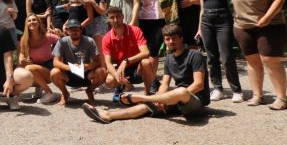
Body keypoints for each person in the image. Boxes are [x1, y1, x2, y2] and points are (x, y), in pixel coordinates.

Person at [81, 24, 210, 123]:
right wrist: (160, 100)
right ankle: (108, 115)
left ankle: (141, 97)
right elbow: (164, 84)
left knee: (181, 91)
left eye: (174, 38)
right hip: (177, 100)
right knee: (147, 105)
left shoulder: (194, 55)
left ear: (181, 38)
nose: (171, 41)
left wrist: (168, 97)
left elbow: (198, 85)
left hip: (195, 101)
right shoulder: (169, 59)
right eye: (167, 39)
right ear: (164, 41)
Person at [231, 0, 287, 110]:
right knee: (252, 61)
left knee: (270, 60)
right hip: (243, 27)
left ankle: (281, 98)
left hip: (270, 25)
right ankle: (257, 95)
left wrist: (267, 17)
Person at [197, 0, 242, 103]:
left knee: (226, 57)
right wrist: (199, 28)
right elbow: (202, 9)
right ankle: (217, 88)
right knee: (211, 57)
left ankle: (236, 90)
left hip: (223, 21)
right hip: (206, 22)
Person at [50, 19, 107, 106]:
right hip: (68, 75)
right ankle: (65, 93)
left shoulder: (90, 41)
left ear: (81, 30)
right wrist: (71, 67)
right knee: (54, 72)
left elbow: (97, 62)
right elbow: (55, 62)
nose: (74, 31)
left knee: (102, 71)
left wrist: (86, 66)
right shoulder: (62, 42)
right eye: (71, 29)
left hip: (86, 75)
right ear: (67, 31)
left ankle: (90, 90)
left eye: (77, 29)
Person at [101, 6, 155, 95]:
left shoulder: (135, 30)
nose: (115, 20)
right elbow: (108, 63)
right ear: (108, 20)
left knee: (146, 62)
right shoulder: (106, 38)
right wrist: (117, 76)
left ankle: (147, 93)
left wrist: (126, 61)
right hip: (121, 70)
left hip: (137, 68)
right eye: (112, 17)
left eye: (118, 16)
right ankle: (122, 86)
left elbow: (146, 52)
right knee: (109, 81)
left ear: (123, 16)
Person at [19, 14, 59, 104]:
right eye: (29, 21)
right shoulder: (24, 39)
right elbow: (22, 52)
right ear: (26, 24)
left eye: (34, 20)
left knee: (29, 68)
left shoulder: (49, 36)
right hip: (35, 66)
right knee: (20, 74)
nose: (32, 22)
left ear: (39, 23)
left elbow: (63, 42)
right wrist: (21, 60)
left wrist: (61, 34)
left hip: (50, 68)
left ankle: (49, 93)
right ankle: (39, 88)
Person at [138, 0, 165, 79]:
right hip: (145, 19)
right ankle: (147, 76)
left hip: (160, 18)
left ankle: (152, 79)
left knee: (154, 49)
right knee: (145, 50)